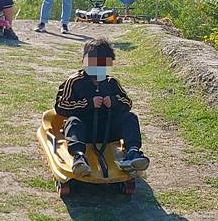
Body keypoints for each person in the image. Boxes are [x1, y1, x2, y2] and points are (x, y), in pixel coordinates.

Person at [54, 38, 150, 177]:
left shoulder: (111, 82)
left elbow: (127, 103)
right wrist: (88, 103)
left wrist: (114, 102)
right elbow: (60, 106)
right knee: (73, 121)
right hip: (84, 131)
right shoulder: (74, 82)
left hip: (107, 131)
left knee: (130, 117)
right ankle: (79, 157)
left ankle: (133, 152)